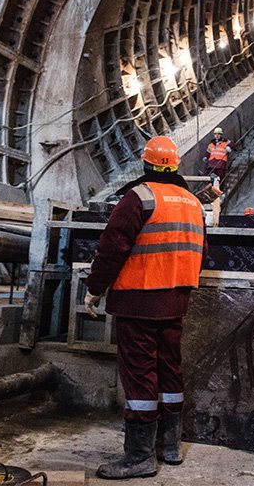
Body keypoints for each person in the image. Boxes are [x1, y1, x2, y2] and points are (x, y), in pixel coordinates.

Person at [85, 135, 206, 480]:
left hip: (139, 299)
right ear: (176, 165)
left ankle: (139, 456)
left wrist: (95, 289)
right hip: (176, 301)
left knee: (140, 376)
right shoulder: (192, 203)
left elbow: (112, 247)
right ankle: (170, 447)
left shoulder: (139, 197)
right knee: (170, 370)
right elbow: (200, 252)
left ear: (146, 163)